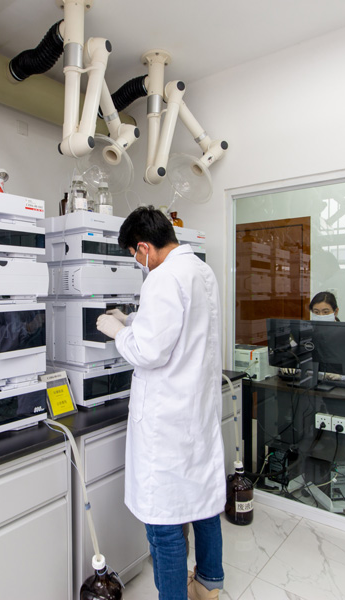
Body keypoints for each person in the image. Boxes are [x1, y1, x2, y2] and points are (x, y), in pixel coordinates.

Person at [95, 206, 225, 600]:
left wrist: (117, 332)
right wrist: (133, 319)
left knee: (164, 521)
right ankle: (209, 584)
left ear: (144, 247)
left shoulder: (162, 276)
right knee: (202, 504)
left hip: (167, 423)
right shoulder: (201, 271)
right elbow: (180, 326)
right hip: (197, 414)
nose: (138, 262)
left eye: (134, 255)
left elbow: (149, 352)